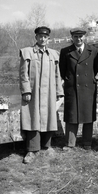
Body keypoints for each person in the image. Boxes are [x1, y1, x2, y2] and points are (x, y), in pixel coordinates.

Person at [19, 26, 64, 164]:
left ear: (48, 39)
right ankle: (32, 150)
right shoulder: (27, 52)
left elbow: (57, 75)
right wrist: (26, 90)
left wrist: (58, 92)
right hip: (33, 92)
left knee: (49, 117)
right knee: (33, 118)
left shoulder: (53, 54)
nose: (43, 39)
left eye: (45, 37)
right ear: (36, 38)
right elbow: (23, 74)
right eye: (40, 36)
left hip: (49, 92)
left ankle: (46, 146)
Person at [59, 27, 98, 150]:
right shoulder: (65, 51)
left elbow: (95, 69)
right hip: (72, 87)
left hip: (88, 87)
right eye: (75, 36)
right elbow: (62, 70)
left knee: (88, 115)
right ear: (72, 38)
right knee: (72, 115)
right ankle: (70, 143)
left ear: (84, 37)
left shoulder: (93, 50)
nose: (78, 39)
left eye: (81, 36)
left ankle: (87, 142)